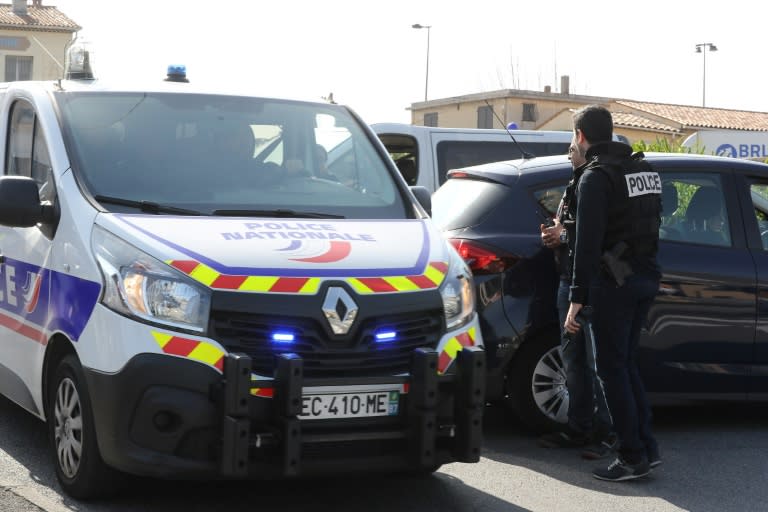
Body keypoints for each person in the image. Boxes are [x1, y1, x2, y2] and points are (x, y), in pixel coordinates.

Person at [563, 105, 662, 482]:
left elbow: (586, 246)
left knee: (611, 370)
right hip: (644, 278)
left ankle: (631, 454)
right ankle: (646, 448)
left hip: (612, 286)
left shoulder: (595, 178)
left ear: (581, 137)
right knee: (626, 366)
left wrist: (577, 299)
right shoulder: (645, 170)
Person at [538, 145, 614, 460]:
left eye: (572, 146)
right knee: (573, 360)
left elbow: (595, 235)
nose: (568, 153)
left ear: (581, 142)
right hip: (568, 280)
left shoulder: (599, 181)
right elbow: (568, 224)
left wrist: (564, 237)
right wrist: (554, 233)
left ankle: (607, 433)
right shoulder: (575, 181)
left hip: (593, 284)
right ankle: (579, 427)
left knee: (599, 365)